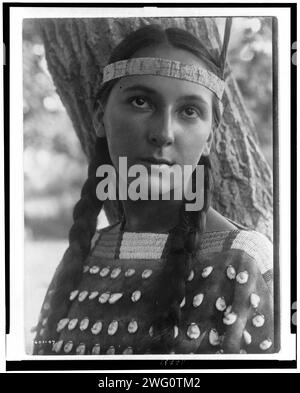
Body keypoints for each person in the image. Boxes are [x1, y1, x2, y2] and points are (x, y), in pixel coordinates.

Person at [33, 21, 274, 355]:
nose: (164, 132)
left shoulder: (242, 260)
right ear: (99, 117)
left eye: (189, 111)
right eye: (141, 102)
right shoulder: (83, 255)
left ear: (210, 138)